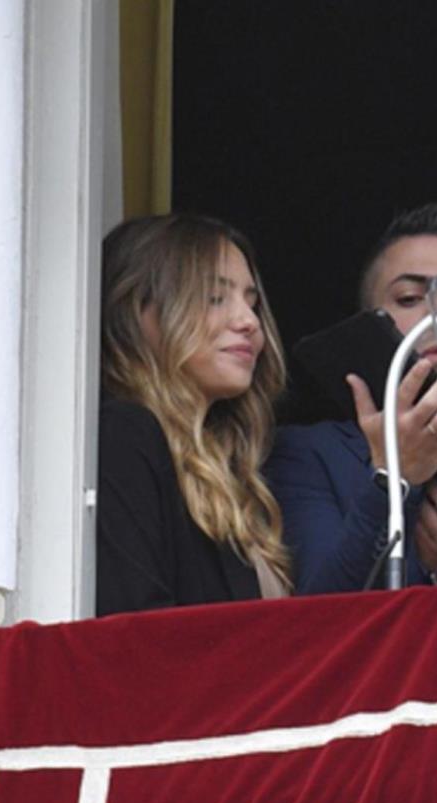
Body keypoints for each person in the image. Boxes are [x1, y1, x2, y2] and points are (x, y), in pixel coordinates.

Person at [265, 195, 437, 592]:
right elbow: (321, 610)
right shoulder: (306, 452)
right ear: (366, 324)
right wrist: (395, 479)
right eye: (409, 299)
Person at [96, 214, 293, 615]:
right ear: (138, 312)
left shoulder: (229, 471)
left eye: (252, 303)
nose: (250, 323)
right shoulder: (123, 434)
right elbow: (137, 630)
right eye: (215, 298)